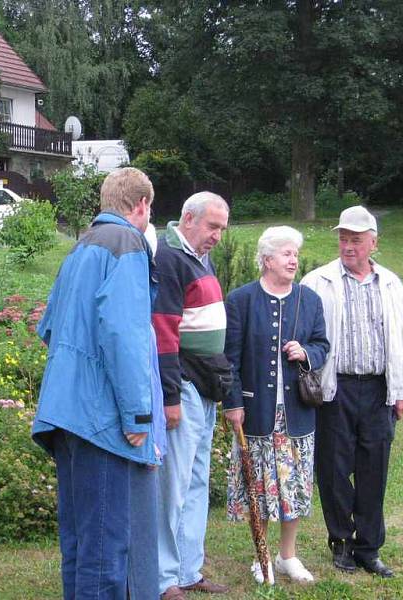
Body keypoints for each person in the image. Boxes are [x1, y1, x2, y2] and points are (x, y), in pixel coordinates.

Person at [32, 167, 158, 599]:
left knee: (81, 544)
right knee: (105, 552)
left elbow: (48, 326)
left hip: (63, 413)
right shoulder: (127, 243)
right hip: (99, 420)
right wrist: (138, 415)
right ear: (141, 205)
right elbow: (126, 335)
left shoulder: (81, 245)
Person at [302, 205, 403, 579]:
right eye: (343, 239)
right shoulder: (317, 281)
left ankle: (369, 547)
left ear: (373, 243)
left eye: (356, 240)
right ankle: (342, 541)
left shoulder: (391, 283)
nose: (348, 246)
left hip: (379, 387)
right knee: (333, 469)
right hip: (336, 387)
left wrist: (401, 390)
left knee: (373, 469)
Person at [223, 226, 329, 584]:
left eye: (295, 254)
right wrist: (233, 404)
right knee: (260, 485)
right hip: (256, 411)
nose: (293, 260)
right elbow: (230, 358)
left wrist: (307, 353)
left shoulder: (309, 299)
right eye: (286, 253)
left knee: (293, 485)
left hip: (297, 412)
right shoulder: (240, 299)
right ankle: (261, 555)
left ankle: (288, 555)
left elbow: (322, 345)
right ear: (267, 259)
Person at [152, 192, 231, 600]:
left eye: (222, 228)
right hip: (182, 383)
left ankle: (188, 569)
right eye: (212, 226)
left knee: (197, 480)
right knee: (174, 485)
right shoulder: (168, 258)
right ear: (188, 218)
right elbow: (164, 331)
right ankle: (164, 578)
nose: (217, 235)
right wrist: (169, 397)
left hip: (205, 385)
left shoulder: (199, 257)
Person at [127, 223, 168, 600]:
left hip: (147, 429)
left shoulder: (142, 304)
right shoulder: (133, 308)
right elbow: (136, 370)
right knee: (138, 523)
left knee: (144, 522)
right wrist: (146, 428)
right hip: (137, 433)